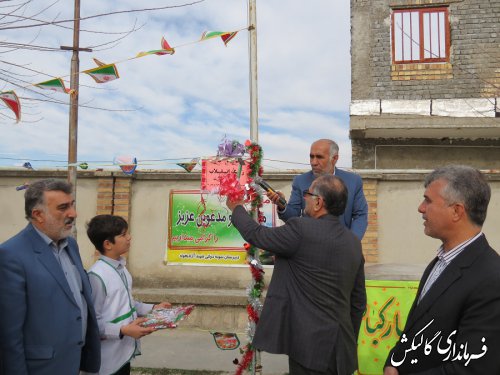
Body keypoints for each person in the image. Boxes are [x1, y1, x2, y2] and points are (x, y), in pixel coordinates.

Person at [227, 174, 366, 375]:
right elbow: (358, 301)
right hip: (341, 348)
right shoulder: (353, 242)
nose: (303, 198)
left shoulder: (301, 229)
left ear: (318, 202)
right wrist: (347, 338)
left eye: (307, 194)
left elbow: (257, 235)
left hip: (309, 347)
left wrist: (237, 208)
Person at [384, 165, 500, 374]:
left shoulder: (491, 278)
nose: (421, 208)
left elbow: (474, 368)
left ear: (456, 211)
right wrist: (393, 362)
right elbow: (416, 329)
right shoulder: (440, 262)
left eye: (428, 200)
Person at [0, 179, 101, 375]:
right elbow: (9, 336)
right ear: (38, 214)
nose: (73, 213)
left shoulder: (71, 245)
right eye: (63, 207)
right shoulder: (10, 255)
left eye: (72, 205)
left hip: (76, 362)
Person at [86, 214, 171, 375]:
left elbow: (129, 302)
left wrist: (154, 308)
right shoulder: (96, 277)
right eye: (123, 235)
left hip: (123, 354)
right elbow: (92, 325)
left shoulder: (121, 268)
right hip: (106, 361)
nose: (129, 238)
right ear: (107, 244)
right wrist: (123, 330)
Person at [268, 139, 368, 240]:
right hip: (310, 246)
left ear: (334, 158)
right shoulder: (300, 181)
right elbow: (293, 216)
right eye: (311, 156)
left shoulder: (353, 181)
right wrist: (282, 205)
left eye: (319, 157)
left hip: (342, 246)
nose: (313, 162)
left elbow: (360, 215)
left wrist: (352, 241)